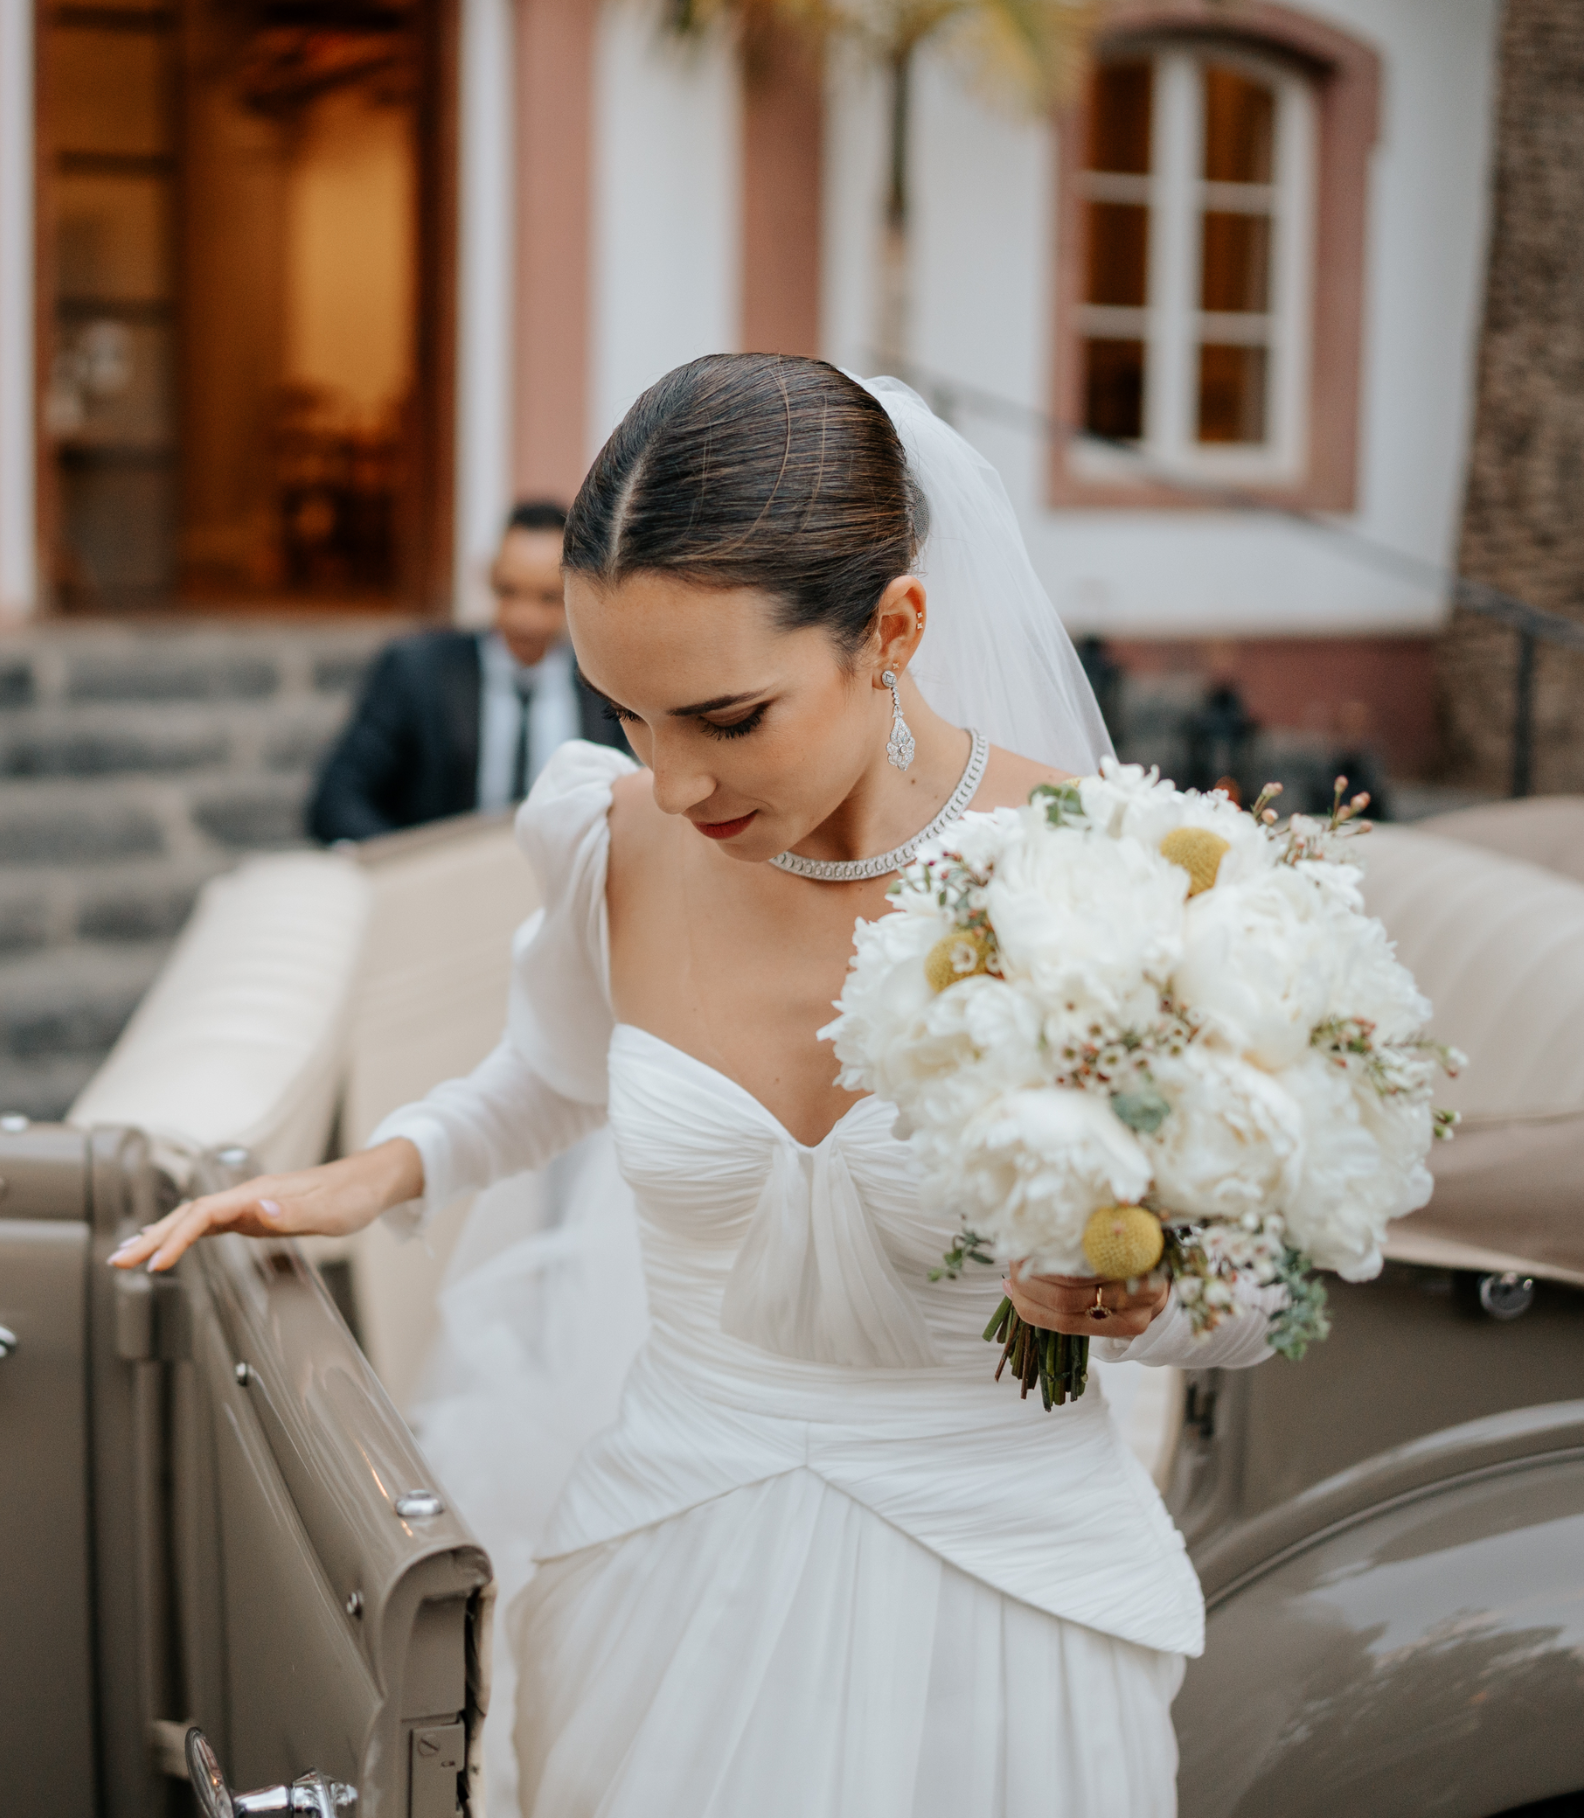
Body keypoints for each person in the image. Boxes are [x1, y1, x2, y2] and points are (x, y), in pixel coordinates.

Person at [118, 358, 1279, 1816]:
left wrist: (1149, 1301)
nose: (671, 785)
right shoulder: (604, 840)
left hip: (1003, 1606)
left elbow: (1254, 1297)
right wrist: (382, 1168)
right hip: (672, 1579)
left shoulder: (1104, 871)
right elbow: (549, 1073)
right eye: (627, 716)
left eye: (727, 718)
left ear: (893, 632)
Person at [307, 500, 625, 842]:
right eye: (508, 591)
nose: (523, 618)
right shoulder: (418, 671)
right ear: (488, 577)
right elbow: (336, 800)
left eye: (548, 598)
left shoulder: (609, 684)